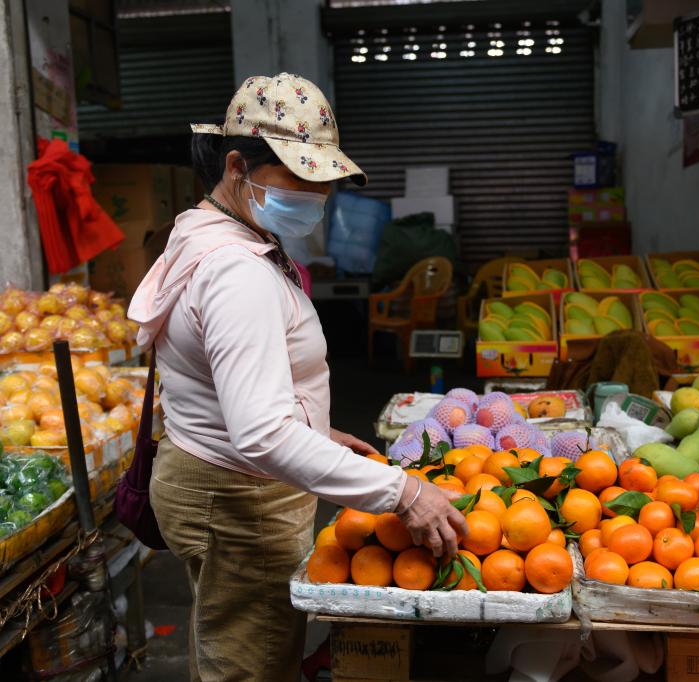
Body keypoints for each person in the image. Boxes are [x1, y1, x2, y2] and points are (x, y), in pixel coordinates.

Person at [128, 73, 467, 682]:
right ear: (237, 165)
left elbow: (225, 380)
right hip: (238, 496)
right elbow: (259, 433)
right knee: (252, 665)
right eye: (300, 176)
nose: (317, 194)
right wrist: (403, 492)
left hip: (210, 474)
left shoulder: (208, 232)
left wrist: (316, 429)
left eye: (323, 179)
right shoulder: (237, 273)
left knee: (230, 639)